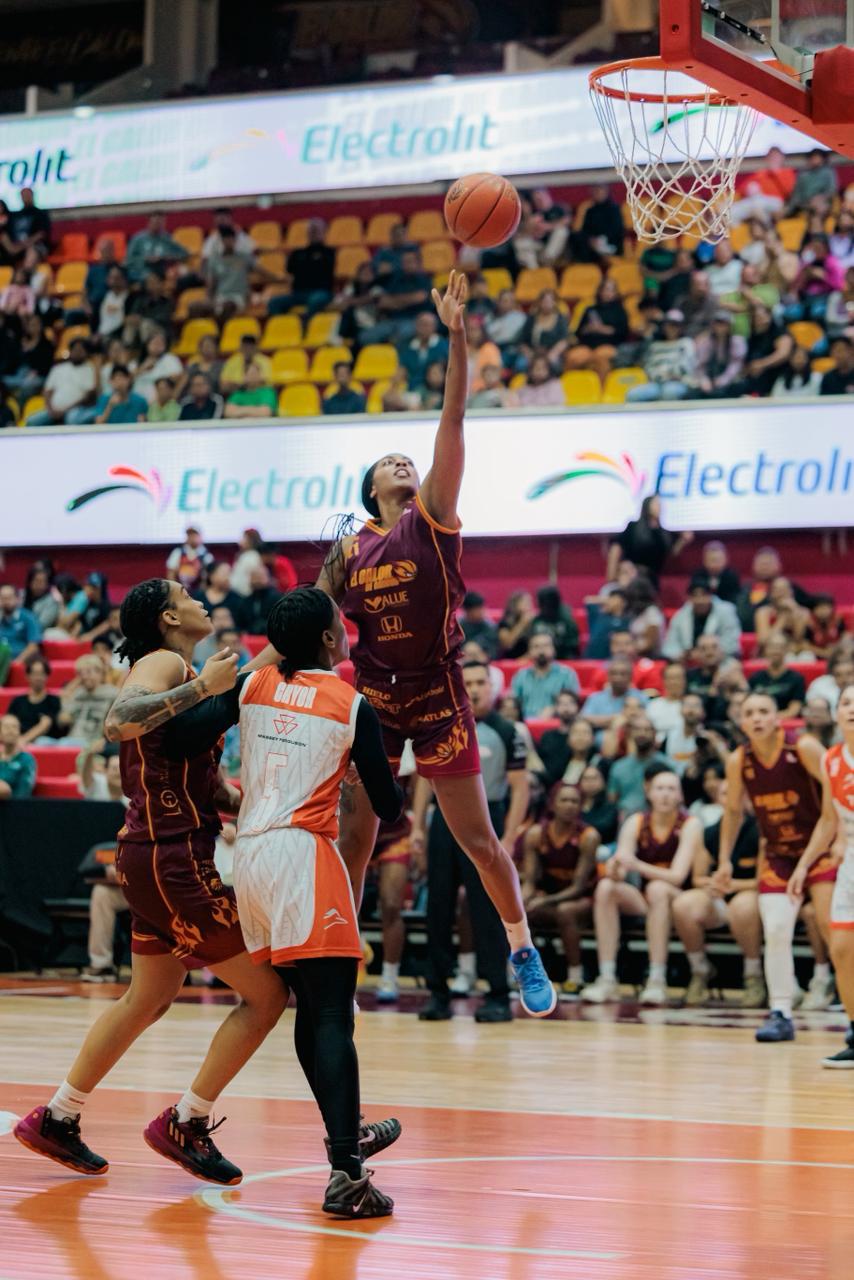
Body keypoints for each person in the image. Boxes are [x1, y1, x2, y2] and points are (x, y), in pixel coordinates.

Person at [317, 271, 556, 1017]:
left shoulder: (432, 517)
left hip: (441, 690)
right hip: (377, 699)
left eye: (408, 460)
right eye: (390, 463)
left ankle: (521, 948)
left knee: (480, 842)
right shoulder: (346, 548)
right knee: (355, 840)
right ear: (369, 491)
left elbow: (453, 421)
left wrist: (455, 332)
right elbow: (313, 628)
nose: (405, 462)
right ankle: (337, 968)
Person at [12, 580, 294, 1184]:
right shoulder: (165, 662)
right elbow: (118, 723)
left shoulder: (179, 667)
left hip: (153, 855)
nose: (198, 597)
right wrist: (202, 687)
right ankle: (187, 1120)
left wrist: (244, 802)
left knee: (149, 996)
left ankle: (58, 1116)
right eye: (187, 592)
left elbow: (194, 776)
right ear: (170, 616)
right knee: (268, 995)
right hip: (170, 861)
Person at [159, 585, 404, 1213]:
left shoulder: (253, 685)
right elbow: (389, 805)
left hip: (252, 861)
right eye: (339, 625)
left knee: (308, 1008)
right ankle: (347, 1170)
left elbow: (182, 737)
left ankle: (345, 1140)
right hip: (303, 856)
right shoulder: (352, 705)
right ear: (329, 639)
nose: (346, 631)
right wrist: (357, 768)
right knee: (331, 1015)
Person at [716, 690, 836, 1043]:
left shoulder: (805, 748)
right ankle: (781, 1010)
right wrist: (724, 858)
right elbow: (734, 812)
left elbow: (838, 794)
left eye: (763, 711)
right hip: (780, 855)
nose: (756, 718)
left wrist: (837, 842)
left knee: (835, 931)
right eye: (749, 712)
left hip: (821, 848)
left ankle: (848, 1005)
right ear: (741, 722)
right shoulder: (739, 760)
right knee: (778, 928)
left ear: (777, 717)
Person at [417, 660, 530, 1023]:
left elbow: (520, 787)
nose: (476, 688)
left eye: (482, 682)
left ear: (493, 688)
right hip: (443, 821)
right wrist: (418, 826)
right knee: (438, 906)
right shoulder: (440, 724)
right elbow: (424, 778)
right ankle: (438, 992)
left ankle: (497, 992)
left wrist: (510, 836)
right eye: (470, 682)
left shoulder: (507, 730)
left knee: (487, 909)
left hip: (488, 821)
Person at [582, 767, 702, 1004]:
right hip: (647, 898)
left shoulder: (690, 824)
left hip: (681, 898)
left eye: (671, 789)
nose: (665, 794)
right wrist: (616, 869)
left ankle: (657, 979)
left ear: (680, 796)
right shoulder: (635, 821)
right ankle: (607, 978)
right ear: (649, 793)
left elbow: (677, 876)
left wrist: (636, 865)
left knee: (658, 888)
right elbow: (624, 865)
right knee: (606, 888)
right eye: (660, 788)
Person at [790, 684, 854, 1067]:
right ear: (835, 713)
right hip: (851, 863)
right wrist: (804, 864)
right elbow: (829, 821)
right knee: (842, 948)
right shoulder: (832, 759)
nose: (852, 709)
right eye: (846, 702)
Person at [672, 780, 764, 1007]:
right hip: (719, 897)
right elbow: (697, 877)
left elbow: (764, 880)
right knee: (683, 904)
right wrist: (713, 883)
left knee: (742, 907)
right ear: (718, 799)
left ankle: (753, 975)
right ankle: (700, 970)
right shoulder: (710, 833)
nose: (732, 798)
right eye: (725, 793)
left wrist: (733, 885)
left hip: (750, 896)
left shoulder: (760, 830)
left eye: (738, 793)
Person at [523, 782, 600, 993]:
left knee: (566, 912)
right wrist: (522, 900)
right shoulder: (536, 834)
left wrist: (545, 900)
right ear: (553, 805)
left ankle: (575, 975)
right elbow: (530, 882)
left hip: (583, 899)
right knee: (519, 912)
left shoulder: (588, 836)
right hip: (550, 896)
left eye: (575, 801)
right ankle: (524, 974)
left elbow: (578, 887)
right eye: (564, 800)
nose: (569, 805)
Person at [607, 495, 693, 589]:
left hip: (652, 578)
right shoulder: (633, 527)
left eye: (660, 504)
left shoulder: (663, 533)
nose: (659, 507)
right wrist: (613, 573)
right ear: (647, 506)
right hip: (632, 576)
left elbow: (671, 553)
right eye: (656, 504)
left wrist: (682, 541)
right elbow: (617, 547)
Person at [608, 716, 676, 822]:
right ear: (630, 733)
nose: (642, 733)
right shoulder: (618, 766)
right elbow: (612, 800)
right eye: (637, 729)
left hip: (659, 819)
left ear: (654, 734)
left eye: (647, 730)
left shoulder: (666, 765)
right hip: (625, 819)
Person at [662, 574, 742, 661]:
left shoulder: (726, 611)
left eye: (704, 595)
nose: (700, 600)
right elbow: (670, 645)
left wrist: (704, 653)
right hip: (688, 661)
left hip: (721, 660)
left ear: (711, 596)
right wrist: (684, 654)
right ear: (689, 598)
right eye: (695, 596)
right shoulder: (680, 616)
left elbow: (731, 643)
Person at [269, 218, 335, 317]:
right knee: (274, 302)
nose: (313, 233)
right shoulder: (298, 252)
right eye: (311, 230)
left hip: (321, 291)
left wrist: (305, 265)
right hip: (299, 292)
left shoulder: (329, 252)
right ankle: (283, 326)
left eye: (316, 230)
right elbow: (290, 269)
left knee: (316, 300)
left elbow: (323, 269)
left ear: (324, 232)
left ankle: (305, 325)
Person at [510, 632, 580, 720]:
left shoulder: (567, 674)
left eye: (546, 646)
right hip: (525, 725)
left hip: (557, 724)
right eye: (536, 647)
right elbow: (513, 703)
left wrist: (554, 709)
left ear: (553, 649)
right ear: (529, 651)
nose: (541, 651)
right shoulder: (520, 676)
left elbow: (573, 705)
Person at [26, 337, 96, 426]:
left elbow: (87, 396)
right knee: (31, 421)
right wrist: (50, 409)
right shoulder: (58, 368)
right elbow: (47, 391)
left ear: (86, 353)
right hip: (52, 409)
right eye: (75, 349)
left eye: (80, 350)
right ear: (70, 351)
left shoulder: (89, 369)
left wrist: (66, 410)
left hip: (75, 409)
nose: (77, 352)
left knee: (72, 420)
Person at [748, 632, 806, 716]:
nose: (775, 651)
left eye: (780, 647)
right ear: (765, 650)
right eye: (772, 647)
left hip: (785, 724)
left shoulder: (797, 679)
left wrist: (770, 719)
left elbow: (794, 710)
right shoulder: (755, 678)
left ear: (787, 650)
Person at [583, 657, 648, 733]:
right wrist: (615, 718)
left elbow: (646, 721)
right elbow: (584, 718)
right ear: (608, 676)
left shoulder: (641, 697)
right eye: (614, 673)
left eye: (623, 674)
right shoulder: (595, 698)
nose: (618, 678)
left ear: (631, 677)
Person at [9, 656, 61, 746]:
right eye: (35, 673)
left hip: (44, 744)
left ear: (47, 676)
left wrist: (23, 740)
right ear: (27, 676)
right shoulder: (18, 701)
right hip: (18, 741)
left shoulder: (54, 701)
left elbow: (45, 725)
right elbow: (9, 721)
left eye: (41, 674)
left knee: (42, 741)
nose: (38, 677)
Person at [125, 211, 188, 282]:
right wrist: (145, 259)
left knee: (183, 273)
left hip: (163, 271)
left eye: (161, 223)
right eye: (156, 222)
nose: (158, 225)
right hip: (142, 272)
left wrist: (168, 257)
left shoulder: (166, 238)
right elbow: (128, 260)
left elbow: (184, 254)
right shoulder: (138, 239)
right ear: (149, 223)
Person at [535, 693, 582, 783]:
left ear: (578, 707)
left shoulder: (584, 735)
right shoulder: (547, 736)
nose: (566, 708)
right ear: (555, 708)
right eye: (562, 704)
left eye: (571, 703)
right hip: (548, 781)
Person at [785, 148, 838, 215]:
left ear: (823, 159)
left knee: (819, 206)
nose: (815, 160)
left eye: (817, 157)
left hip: (823, 202)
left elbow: (832, 189)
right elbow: (796, 194)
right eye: (813, 157)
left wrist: (821, 197)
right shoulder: (803, 174)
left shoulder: (828, 172)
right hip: (803, 204)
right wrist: (789, 208)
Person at [0, 582, 41, 664]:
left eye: (9, 598)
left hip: (19, 661)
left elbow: (33, 647)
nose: (6, 601)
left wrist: (17, 662)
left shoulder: (29, 618)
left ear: (17, 599)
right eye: (3, 598)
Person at [166, 526, 214, 593]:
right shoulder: (178, 552)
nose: (192, 537)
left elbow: (208, 578)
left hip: (198, 591)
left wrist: (201, 593)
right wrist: (174, 591)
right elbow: (171, 574)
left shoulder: (206, 556)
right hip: (180, 591)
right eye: (189, 535)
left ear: (200, 536)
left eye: (194, 535)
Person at [807, 645, 854, 713]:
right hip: (827, 723)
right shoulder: (819, 684)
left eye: (849, 673)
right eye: (838, 674)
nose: (844, 679)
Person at [647, 662, 688, 740]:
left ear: (685, 680)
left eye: (679, 678)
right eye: (671, 678)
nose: (675, 682)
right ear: (664, 681)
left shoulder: (691, 706)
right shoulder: (653, 705)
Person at [0, 714, 36, 799]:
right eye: (6, 727)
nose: (10, 731)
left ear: (19, 732)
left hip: (15, 807)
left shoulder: (26, 759)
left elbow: (24, 792)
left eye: (14, 727)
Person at [497, 589, 536, 659]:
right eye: (525, 603)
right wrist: (521, 624)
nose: (529, 606)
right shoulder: (505, 622)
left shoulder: (534, 622)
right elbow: (506, 645)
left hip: (528, 660)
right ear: (515, 604)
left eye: (530, 602)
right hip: (509, 660)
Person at [460, 590, 498, 659]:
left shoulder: (490, 626)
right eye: (478, 609)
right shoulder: (458, 627)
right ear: (468, 611)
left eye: (482, 608)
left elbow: (493, 651)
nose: (482, 611)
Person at [807, 594, 845, 661]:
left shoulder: (838, 620)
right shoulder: (808, 623)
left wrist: (835, 648)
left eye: (826, 608)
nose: (823, 611)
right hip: (816, 653)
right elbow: (804, 644)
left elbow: (844, 637)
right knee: (806, 655)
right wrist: (823, 653)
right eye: (820, 608)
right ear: (813, 610)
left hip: (836, 651)